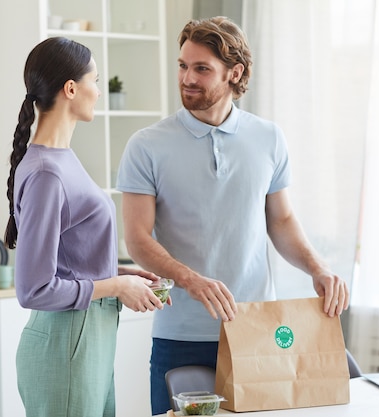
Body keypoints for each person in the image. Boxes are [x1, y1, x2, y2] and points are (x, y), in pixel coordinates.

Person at [115, 17, 350, 415]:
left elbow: (282, 221)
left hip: (257, 329)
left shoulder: (269, 137)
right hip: (181, 335)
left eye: (201, 68)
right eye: (182, 65)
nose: (187, 77)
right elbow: (137, 238)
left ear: (234, 72)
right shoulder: (146, 146)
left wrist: (318, 268)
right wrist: (191, 280)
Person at [4, 37, 165, 417]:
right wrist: (117, 285)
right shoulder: (47, 173)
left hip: (85, 341)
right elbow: (34, 289)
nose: (98, 90)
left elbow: (67, 261)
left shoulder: (59, 160)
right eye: (95, 80)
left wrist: (123, 275)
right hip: (67, 345)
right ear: (71, 89)